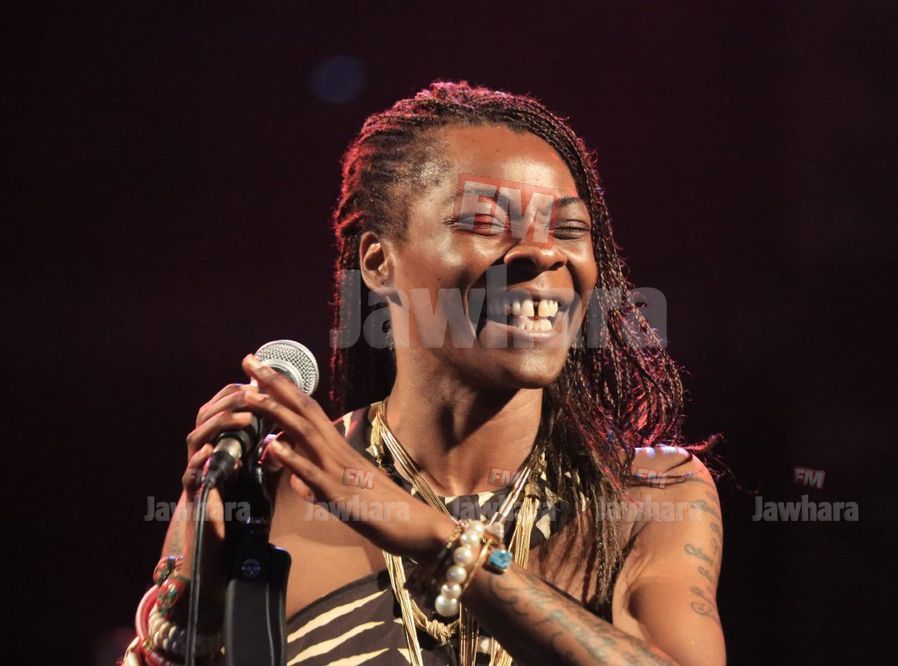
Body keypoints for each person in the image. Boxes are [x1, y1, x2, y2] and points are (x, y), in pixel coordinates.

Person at [121, 81, 726, 666]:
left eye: (569, 230)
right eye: (485, 223)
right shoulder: (268, 495)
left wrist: (437, 540)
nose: (544, 253)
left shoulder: (647, 496)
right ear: (378, 262)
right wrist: (193, 616)